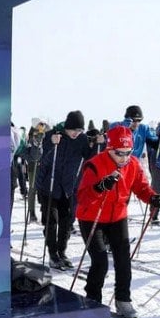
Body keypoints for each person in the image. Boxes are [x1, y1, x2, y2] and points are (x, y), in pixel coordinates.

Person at [75, 125, 160, 318]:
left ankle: (123, 300)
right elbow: (82, 197)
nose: (124, 157)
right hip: (92, 217)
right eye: (119, 153)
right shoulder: (95, 164)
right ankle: (93, 302)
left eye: (128, 152)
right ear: (109, 149)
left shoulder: (132, 164)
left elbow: (141, 187)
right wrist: (100, 186)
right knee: (100, 262)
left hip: (117, 217)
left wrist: (153, 198)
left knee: (123, 260)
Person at [37, 110, 97, 270]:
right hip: (49, 187)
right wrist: (50, 141)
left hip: (68, 188)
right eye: (74, 130)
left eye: (80, 130)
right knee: (51, 222)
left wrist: (98, 143)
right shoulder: (53, 135)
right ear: (67, 127)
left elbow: (91, 158)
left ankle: (62, 252)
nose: (77, 133)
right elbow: (41, 156)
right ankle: (52, 254)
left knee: (66, 222)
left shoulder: (82, 139)